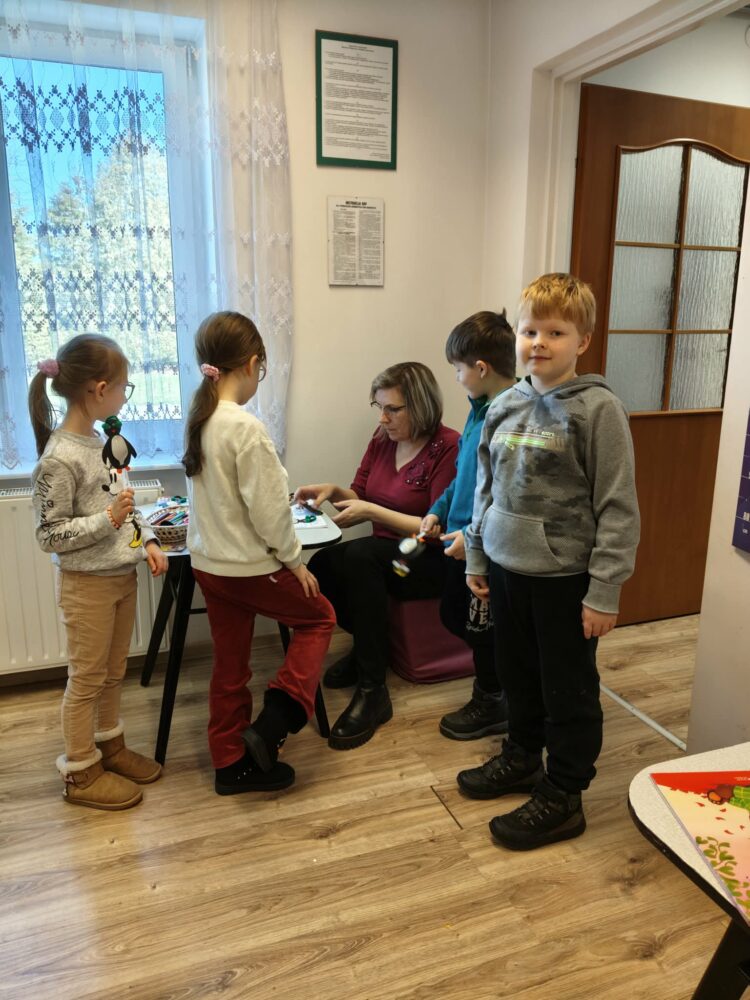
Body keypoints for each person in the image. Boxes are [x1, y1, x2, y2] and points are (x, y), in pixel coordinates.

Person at [460, 273, 640, 850]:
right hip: (506, 569)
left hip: (566, 579)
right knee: (517, 676)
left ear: (582, 341)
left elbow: (618, 506)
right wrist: (477, 556)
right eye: (529, 330)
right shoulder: (502, 405)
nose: (539, 342)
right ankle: (521, 757)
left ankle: (564, 795)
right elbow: (485, 490)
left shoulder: (598, 410)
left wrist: (605, 590)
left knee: (567, 689)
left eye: (555, 332)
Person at [183, 311, 336, 795]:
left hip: (210, 567)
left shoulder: (202, 419)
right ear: (252, 364)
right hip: (248, 569)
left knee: (230, 666)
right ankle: (274, 724)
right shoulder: (245, 428)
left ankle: (230, 763)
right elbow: (270, 514)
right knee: (320, 617)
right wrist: (294, 561)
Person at [29, 334, 169, 810]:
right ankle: (80, 771)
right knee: (87, 678)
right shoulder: (58, 458)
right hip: (85, 586)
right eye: (125, 387)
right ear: (101, 388)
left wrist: (148, 539)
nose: (125, 396)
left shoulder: (103, 443)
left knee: (113, 673)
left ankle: (110, 747)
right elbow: (49, 535)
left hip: (120, 578)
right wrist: (106, 520)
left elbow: (124, 502)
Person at [295, 362, 460, 751]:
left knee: (361, 556)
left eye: (392, 409)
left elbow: (435, 528)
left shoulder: (447, 446)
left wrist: (372, 513)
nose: (383, 418)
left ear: (420, 406)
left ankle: (373, 690)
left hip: (426, 558)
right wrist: (333, 491)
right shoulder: (383, 439)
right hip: (388, 556)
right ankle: (370, 649)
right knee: (322, 566)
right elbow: (360, 494)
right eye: (379, 407)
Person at [419, 310, 516, 740]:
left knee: (481, 627)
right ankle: (498, 687)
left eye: (458, 370)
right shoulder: (477, 412)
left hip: (483, 545)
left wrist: (472, 536)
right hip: (460, 540)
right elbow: (464, 478)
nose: (457, 378)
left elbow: (502, 494)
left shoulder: (508, 415)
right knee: (456, 614)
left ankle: (492, 698)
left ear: (480, 368)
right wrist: (438, 510)